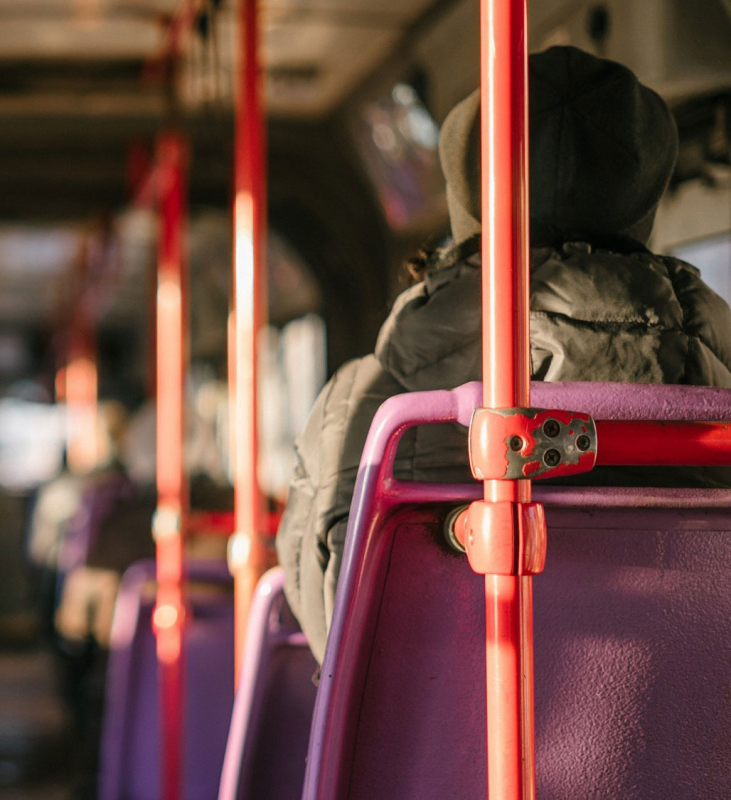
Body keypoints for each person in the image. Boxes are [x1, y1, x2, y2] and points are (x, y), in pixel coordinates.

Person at [276, 45, 731, 664]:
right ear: (642, 199)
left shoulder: (369, 406)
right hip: (699, 750)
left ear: (467, 196)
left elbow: (334, 629)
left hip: (441, 757)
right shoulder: (717, 378)